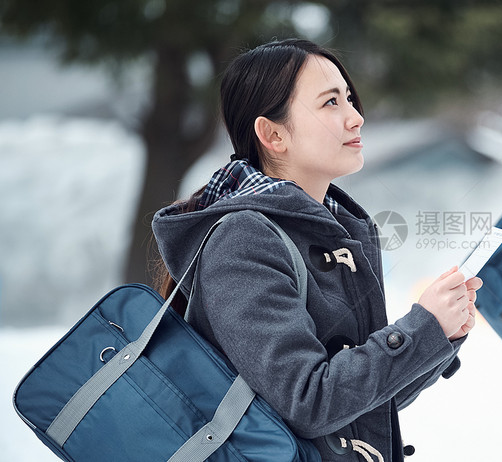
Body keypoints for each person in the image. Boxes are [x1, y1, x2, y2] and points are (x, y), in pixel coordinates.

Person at [151, 38, 482, 462]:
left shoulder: (337, 229)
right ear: (273, 134)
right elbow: (308, 402)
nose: (356, 117)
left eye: (348, 98)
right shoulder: (244, 239)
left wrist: (439, 333)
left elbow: (362, 409)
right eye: (330, 103)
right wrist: (422, 329)